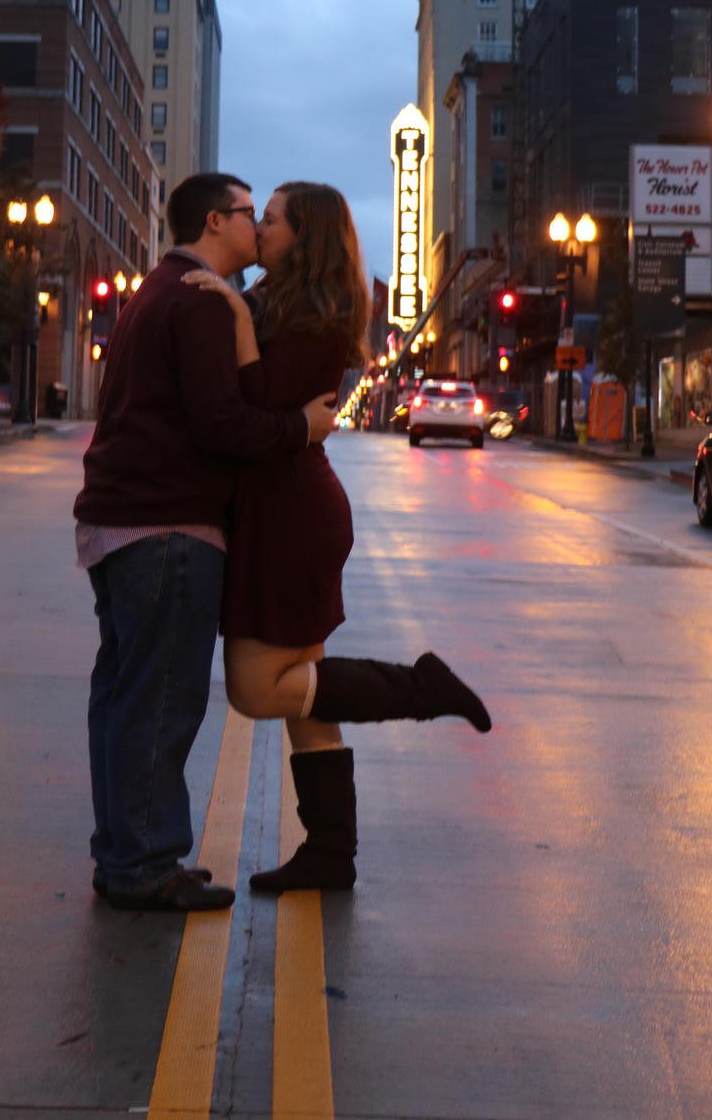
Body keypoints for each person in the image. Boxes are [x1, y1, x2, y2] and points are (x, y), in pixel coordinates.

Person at [183, 182, 492, 896]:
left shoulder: (314, 320)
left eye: (273, 218)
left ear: (307, 236)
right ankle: (330, 853)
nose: (259, 226)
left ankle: (421, 687)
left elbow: (261, 405)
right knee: (306, 696)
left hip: (292, 516)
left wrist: (231, 312)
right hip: (281, 509)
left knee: (258, 692)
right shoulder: (283, 304)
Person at [73, 172, 338, 913]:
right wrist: (301, 429)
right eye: (253, 216)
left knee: (123, 699)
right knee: (160, 701)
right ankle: (145, 864)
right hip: (167, 529)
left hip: (123, 524)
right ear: (219, 221)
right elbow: (221, 425)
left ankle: (123, 852)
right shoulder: (197, 303)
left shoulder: (161, 290)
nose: (260, 230)